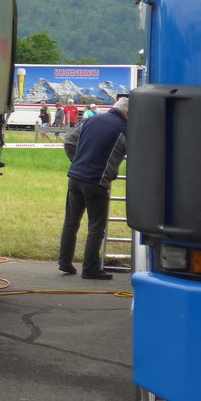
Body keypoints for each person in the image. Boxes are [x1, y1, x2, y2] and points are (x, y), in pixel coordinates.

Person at [57, 96, 128, 279]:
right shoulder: (125, 129)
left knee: (71, 222)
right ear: (127, 113)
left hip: (75, 177)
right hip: (97, 181)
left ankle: (65, 262)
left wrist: (77, 161)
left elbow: (69, 141)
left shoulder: (91, 120)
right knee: (96, 227)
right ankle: (90, 268)